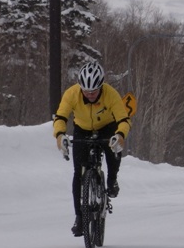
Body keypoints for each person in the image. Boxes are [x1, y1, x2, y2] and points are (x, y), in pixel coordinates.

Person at [53, 61, 132, 237]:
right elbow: (60, 117)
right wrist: (60, 136)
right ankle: (79, 218)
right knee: (78, 173)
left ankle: (111, 181)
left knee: (114, 152)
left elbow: (124, 119)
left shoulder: (111, 94)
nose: (89, 94)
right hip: (82, 128)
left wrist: (119, 135)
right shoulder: (71, 94)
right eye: (86, 91)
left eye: (94, 91)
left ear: (101, 87)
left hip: (107, 126)